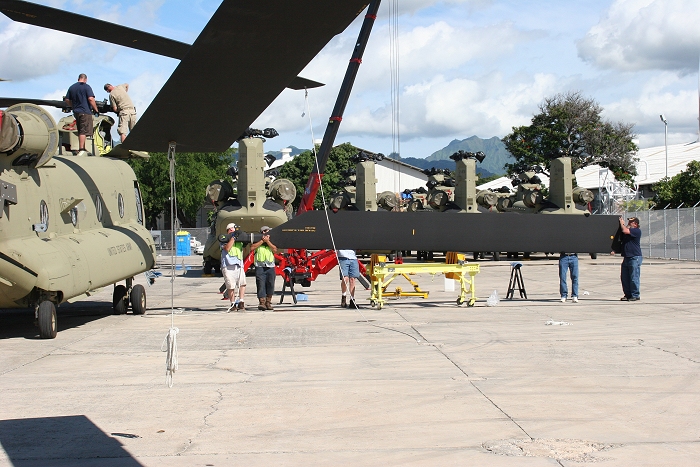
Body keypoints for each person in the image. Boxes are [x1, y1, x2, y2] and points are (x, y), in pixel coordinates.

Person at [65, 74, 99, 155]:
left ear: (78, 78)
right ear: (85, 79)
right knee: (84, 131)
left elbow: (67, 99)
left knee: (80, 130)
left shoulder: (72, 87)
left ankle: (82, 147)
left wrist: (72, 106)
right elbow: (91, 99)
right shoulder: (86, 87)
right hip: (85, 111)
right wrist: (96, 109)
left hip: (76, 112)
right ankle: (82, 148)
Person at [219, 223, 248, 311]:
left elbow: (245, 248)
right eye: (232, 229)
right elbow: (227, 248)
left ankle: (241, 301)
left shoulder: (238, 241)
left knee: (242, 283)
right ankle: (232, 303)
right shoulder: (223, 239)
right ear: (229, 230)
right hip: (228, 265)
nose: (234, 231)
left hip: (238, 265)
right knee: (230, 285)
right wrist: (233, 238)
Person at [251, 225, 277, 311]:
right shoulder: (257, 240)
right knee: (260, 284)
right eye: (266, 231)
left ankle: (268, 302)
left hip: (270, 265)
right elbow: (252, 248)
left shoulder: (272, 241)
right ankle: (262, 302)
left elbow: (275, 249)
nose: (267, 233)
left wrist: (268, 242)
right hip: (260, 266)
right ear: (262, 232)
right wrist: (262, 241)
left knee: (270, 283)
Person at [616, 216, 643, 301]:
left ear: (635, 224)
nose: (629, 223)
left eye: (631, 222)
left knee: (633, 277)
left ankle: (635, 295)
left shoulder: (636, 231)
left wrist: (622, 223)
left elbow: (625, 230)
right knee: (625, 277)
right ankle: (627, 294)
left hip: (634, 257)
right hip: (627, 257)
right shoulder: (628, 232)